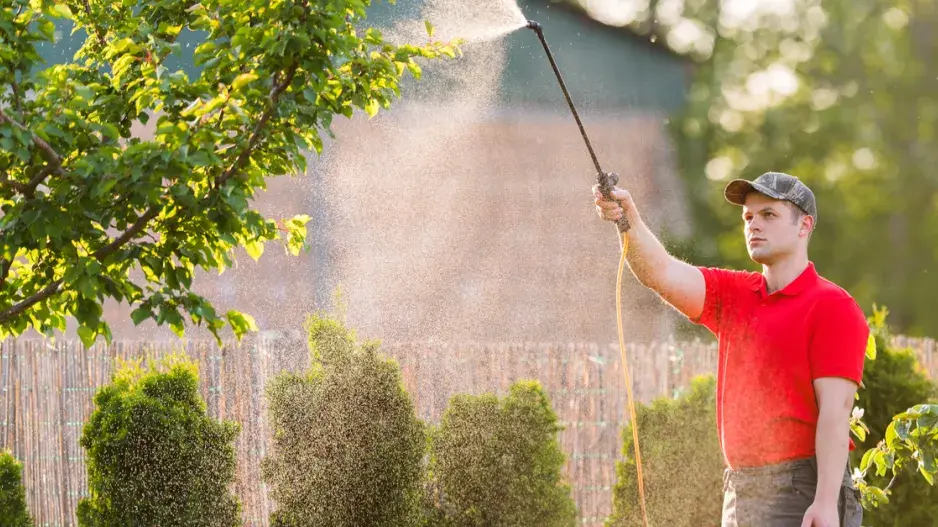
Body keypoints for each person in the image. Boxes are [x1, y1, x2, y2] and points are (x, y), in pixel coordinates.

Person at [593, 171, 868, 527]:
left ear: (804, 226)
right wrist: (627, 217)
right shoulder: (734, 294)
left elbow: (837, 410)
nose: (754, 225)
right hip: (739, 490)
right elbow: (659, 272)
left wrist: (826, 502)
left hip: (801, 490)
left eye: (769, 215)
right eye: (749, 217)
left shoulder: (832, 305)